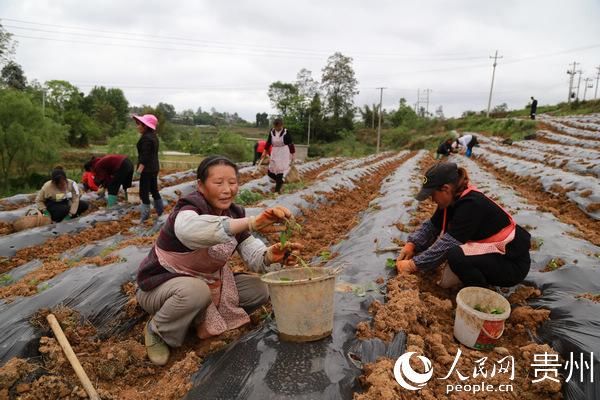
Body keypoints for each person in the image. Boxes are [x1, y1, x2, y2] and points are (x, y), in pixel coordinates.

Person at [136, 155, 302, 366]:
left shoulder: (234, 213)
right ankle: (158, 329)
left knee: (260, 289)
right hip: (160, 289)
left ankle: (196, 320)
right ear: (201, 185)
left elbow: (252, 253)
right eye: (218, 183)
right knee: (195, 292)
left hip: (207, 284)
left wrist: (270, 256)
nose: (227, 189)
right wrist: (251, 222)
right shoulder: (188, 209)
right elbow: (191, 231)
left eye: (232, 183)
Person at [396, 162, 531, 289]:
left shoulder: (471, 205)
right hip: (495, 257)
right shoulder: (452, 200)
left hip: (512, 264)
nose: (432, 200)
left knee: (456, 255)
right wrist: (412, 244)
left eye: (432, 195)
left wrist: (413, 265)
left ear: (445, 189)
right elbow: (432, 226)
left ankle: (481, 293)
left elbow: (447, 245)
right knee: (456, 258)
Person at [133, 114, 164, 223]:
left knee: (143, 193)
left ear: (145, 126)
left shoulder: (146, 139)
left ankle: (144, 218)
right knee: (154, 190)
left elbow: (145, 157)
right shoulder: (153, 136)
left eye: (139, 124)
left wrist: (138, 172)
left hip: (147, 169)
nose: (137, 126)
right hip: (154, 167)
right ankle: (161, 213)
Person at [262, 118, 295, 193]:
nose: (277, 128)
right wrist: (264, 151)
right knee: (270, 172)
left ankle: (277, 191)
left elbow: (290, 143)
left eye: (279, 127)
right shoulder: (272, 131)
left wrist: (292, 154)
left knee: (280, 171)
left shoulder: (285, 132)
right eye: (276, 127)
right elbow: (268, 142)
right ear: (274, 126)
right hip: (275, 152)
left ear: (282, 125)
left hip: (283, 152)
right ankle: (280, 181)